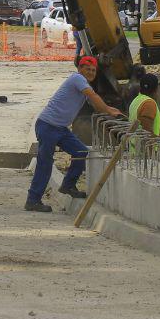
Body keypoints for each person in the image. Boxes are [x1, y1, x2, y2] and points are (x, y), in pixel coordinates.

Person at [25, 55, 124, 212]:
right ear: (80, 69)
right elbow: (94, 97)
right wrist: (108, 110)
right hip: (48, 126)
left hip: (60, 128)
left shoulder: (83, 84)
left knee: (81, 151)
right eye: (88, 69)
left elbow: (95, 103)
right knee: (45, 164)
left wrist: (107, 110)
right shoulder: (77, 79)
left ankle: (68, 185)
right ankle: (33, 200)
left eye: (93, 70)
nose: (91, 72)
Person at [129, 71, 160, 139]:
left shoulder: (137, 100)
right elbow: (147, 134)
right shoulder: (149, 104)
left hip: (137, 147)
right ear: (156, 89)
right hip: (151, 148)